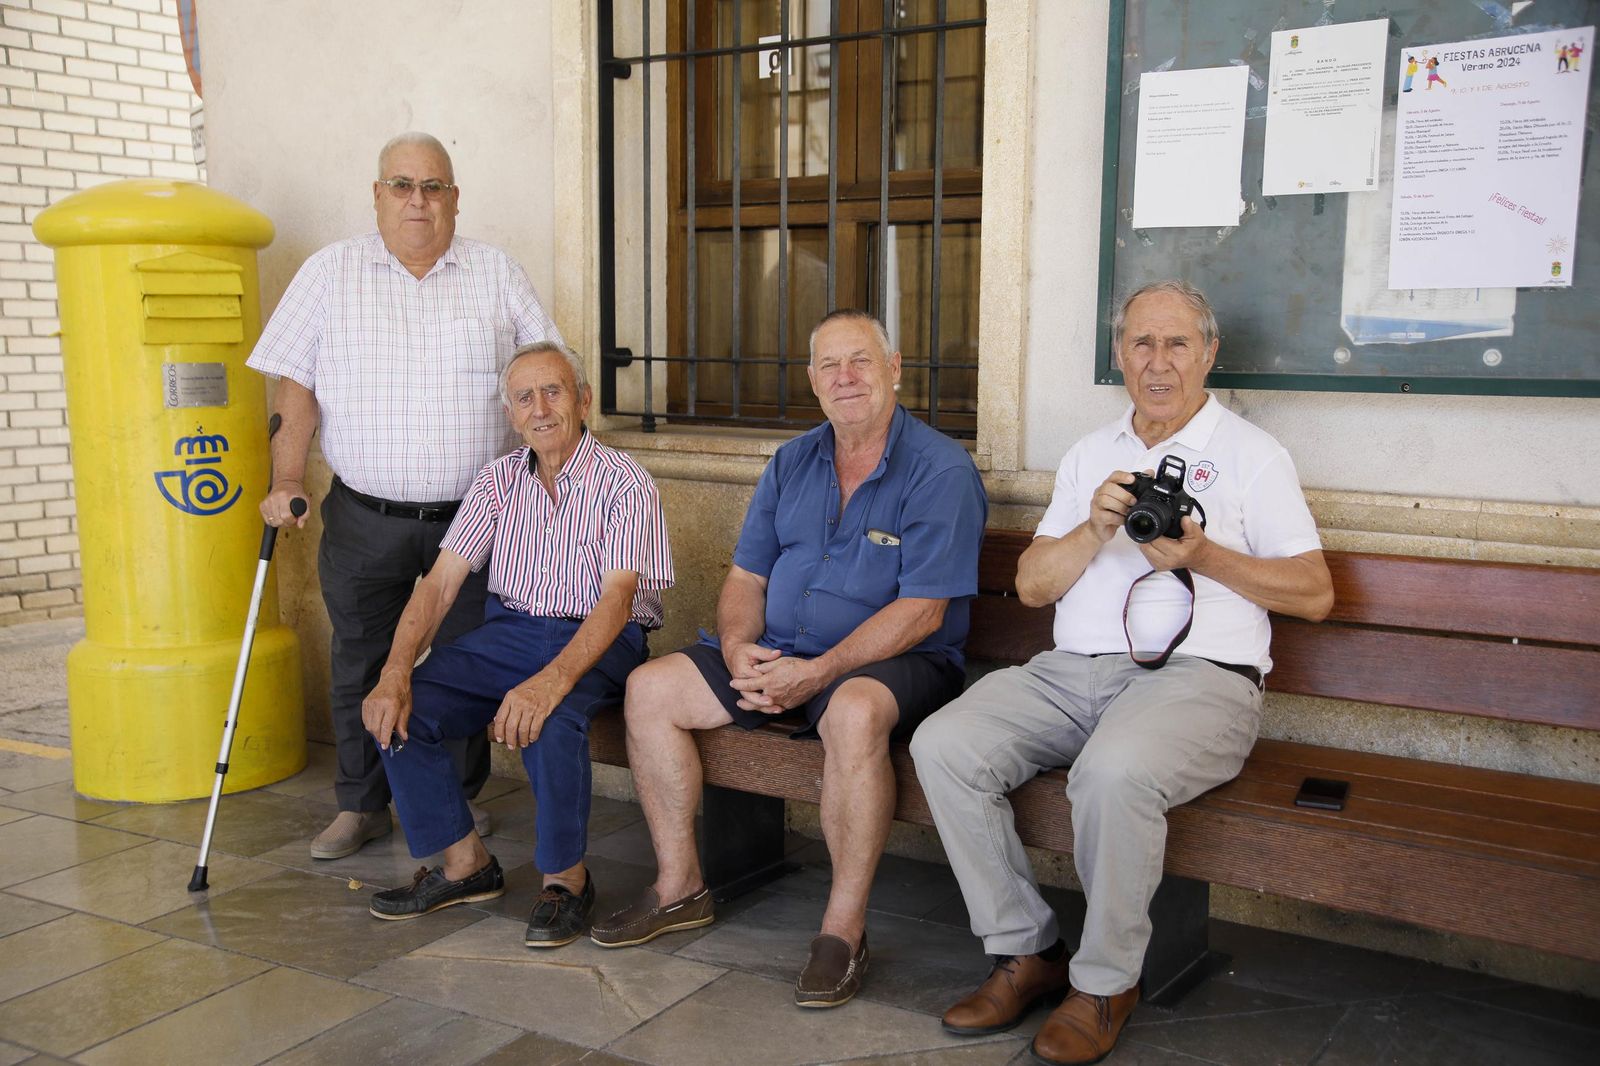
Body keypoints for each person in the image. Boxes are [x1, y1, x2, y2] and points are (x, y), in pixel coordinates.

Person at [910, 281, 1333, 1065]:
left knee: (1112, 773)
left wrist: (1202, 556)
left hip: (1200, 681)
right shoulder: (1091, 455)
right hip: (1072, 672)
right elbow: (1035, 586)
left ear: (1209, 353)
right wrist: (1093, 526)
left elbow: (1314, 593)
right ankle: (1026, 950)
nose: (1159, 362)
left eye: (1177, 344)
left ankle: (1103, 985)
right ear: (1119, 355)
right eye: (1142, 343)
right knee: (945, 742)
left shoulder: (1251, 455)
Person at [590, 310, 988, 1008]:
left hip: (898, 661)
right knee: (650, 688)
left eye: (861, 361)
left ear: (895, 369)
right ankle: (680, 885)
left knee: (854, 714)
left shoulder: (940, 469)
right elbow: (747, 578)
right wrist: (741, 648)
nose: (846, 378)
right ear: (811, 380)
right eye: (830, 366)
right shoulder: (791, 461)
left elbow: (924, 610)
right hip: (783, 653)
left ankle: (843, 928)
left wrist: (821, 670)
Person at [249, 132, 562, 860]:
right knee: (361, 657)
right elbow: (295, 389)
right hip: (366, 515)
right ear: (378, 195)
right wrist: (288, 481)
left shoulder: (496, 273)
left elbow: (547, 374)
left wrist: (558, 484)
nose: (417, 200)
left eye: (433, 186)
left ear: (455, 198)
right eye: (402, 185)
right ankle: (361, 805)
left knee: (465, 662)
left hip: (480, 517)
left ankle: (453, 807)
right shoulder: (330, 273)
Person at [361, 342, 673, 945]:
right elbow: (440, 585)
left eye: (554, 391)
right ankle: (465, 866)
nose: (541, 408)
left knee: (551, 722)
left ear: (583, 400)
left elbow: (616, 603)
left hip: (601, 637)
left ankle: (567, 881)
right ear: (511, 414)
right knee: (400, 710)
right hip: (510, 632)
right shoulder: (498, 481)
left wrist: (552, 680)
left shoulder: (624, 482)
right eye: (525, 397)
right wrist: (396, 670)